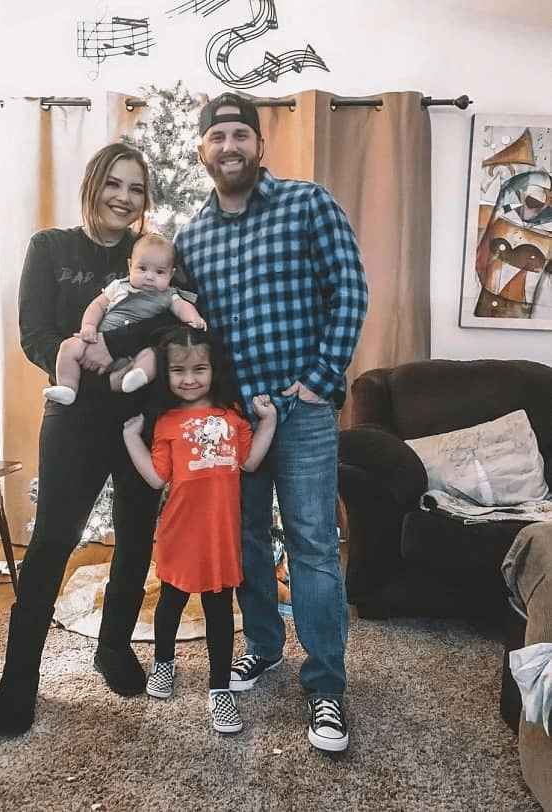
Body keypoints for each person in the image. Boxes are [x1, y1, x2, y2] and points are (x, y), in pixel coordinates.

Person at [174, 93, 368, 753]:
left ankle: (326, 685)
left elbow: (350, 289)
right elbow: (182, 330)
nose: (229, 147)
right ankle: (263, 644)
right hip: (232, 422)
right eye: (217, 137)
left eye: (240, 135)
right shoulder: (190, 237)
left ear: (259, 145)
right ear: (202, 150)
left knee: (313, 543)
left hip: (301, 412)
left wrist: (318, 381)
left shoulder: (307, 203)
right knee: (245, 541)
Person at [0, 142, 179, 738]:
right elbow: (34, 333)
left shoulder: (150, 255)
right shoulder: (50, 247)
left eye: (136, 188)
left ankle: (112, 646)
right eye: (114, 184)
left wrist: (117, 353)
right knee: (52, 542)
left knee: (136, 538)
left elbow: (173, 329)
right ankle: (20, 674)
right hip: (73, 417)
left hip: (138, 419)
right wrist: (77, 353)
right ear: (93, 184)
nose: (124, 198)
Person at [122, 325, 277, 733]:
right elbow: (156, 478)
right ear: (166, 374)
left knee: (219, 611)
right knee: (170, 603)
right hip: (179, 532)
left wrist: (269, 421)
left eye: (199, 369)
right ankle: (163, 663)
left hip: (220, 536)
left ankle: (219, 689)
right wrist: (131, 438)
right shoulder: (166, 422)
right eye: (178, 370)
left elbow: (250, 462)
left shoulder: (232, 417)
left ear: (214, 369)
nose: (189, 379)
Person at [43, 233, 206, 406]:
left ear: (171, 274)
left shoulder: (168, 295)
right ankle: (68, 387)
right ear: (130, 265)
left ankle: (137, 376)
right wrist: (89, 326)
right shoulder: (118, 286)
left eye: (159, 272)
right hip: (96, 340)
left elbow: (182, 307)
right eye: (142, 268)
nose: (149, 276)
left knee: (153, 355)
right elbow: (97, 306)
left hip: (134, 352)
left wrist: (194, 319)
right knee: (68, 346)